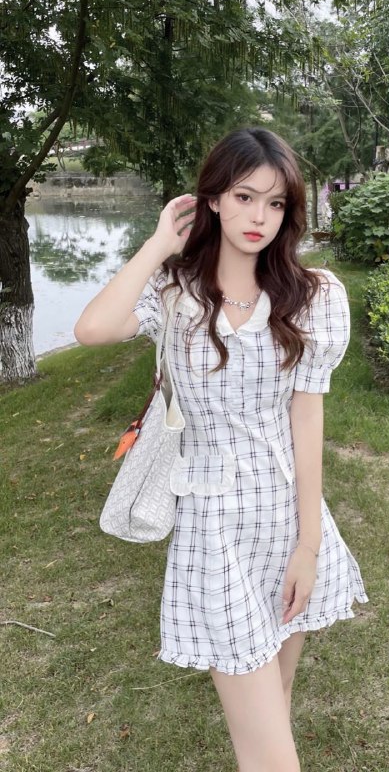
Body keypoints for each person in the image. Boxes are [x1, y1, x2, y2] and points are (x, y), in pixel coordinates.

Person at [74, 127, 368, 772]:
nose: (259, 216)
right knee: (269, 750)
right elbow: (92, 329)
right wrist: (158, 244)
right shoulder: (175, 291)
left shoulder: (312, 296)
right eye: (243, 197)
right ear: (212, 199)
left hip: (286, 523)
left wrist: (309, 546)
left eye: (276, 203)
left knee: (274, 711)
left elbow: (307, 421)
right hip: (212, 529)